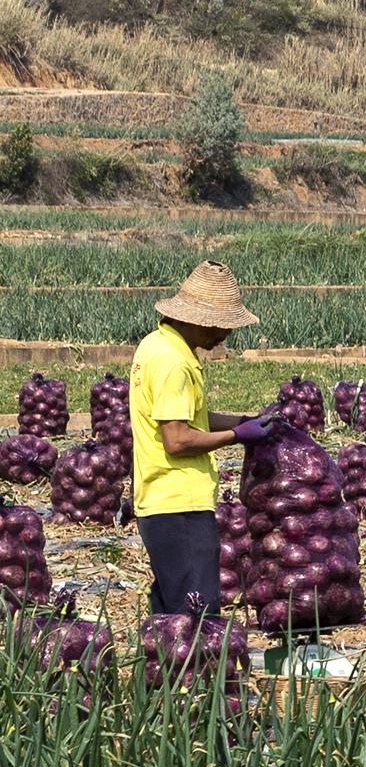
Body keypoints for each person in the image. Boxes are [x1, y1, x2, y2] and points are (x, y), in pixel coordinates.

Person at [131, 262, 270, 618]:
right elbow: (176, 439)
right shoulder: (172, 362)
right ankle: (195, 676)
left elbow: (188, 417)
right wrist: (236, 436)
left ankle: (163, 674)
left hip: (162, 501)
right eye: (221, 326)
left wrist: (245, 420)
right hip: (179, 505)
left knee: (171, 612)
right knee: (196, 617)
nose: (224, 335)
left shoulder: (157, 345)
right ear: (199, 320)